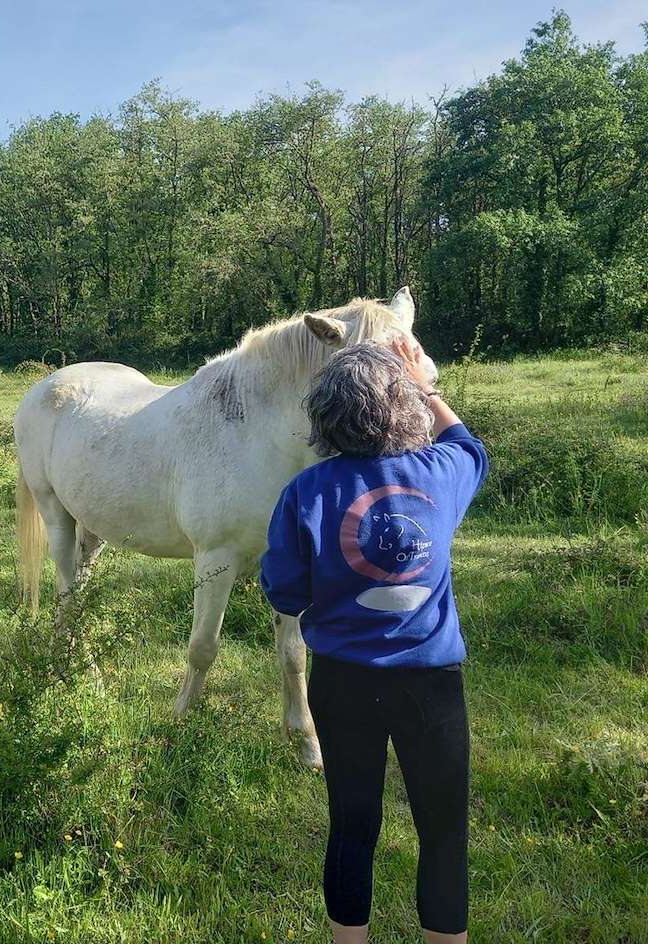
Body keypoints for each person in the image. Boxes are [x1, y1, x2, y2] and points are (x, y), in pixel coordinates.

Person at [260, 337, 488, 944]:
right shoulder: (441, 474)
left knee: (352, 827)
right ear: (406, 406)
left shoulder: (305, 493)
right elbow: (469, 447)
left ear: (325, 413)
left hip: (342, 683)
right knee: (443, 832)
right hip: (431, 685)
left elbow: (284, 594)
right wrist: (426, 386)